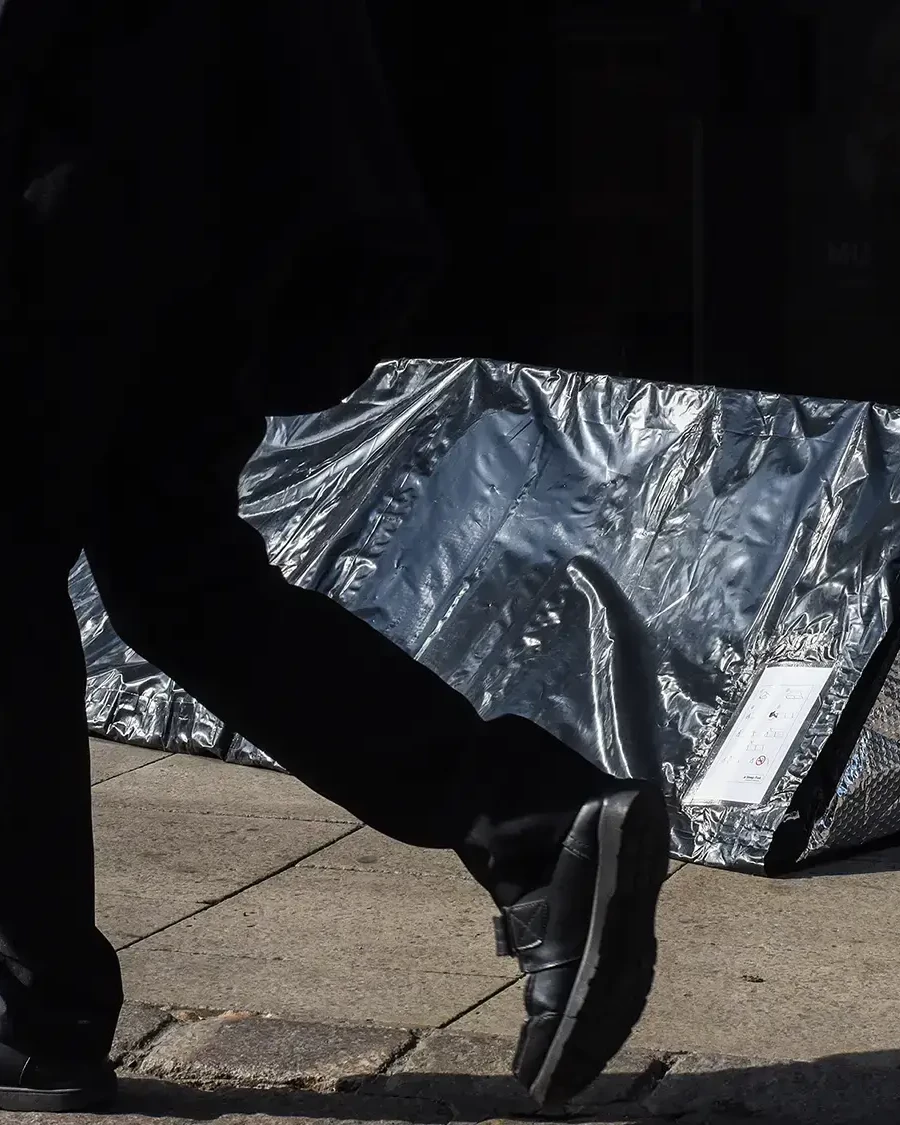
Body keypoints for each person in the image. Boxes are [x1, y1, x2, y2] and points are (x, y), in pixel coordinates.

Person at [0, 1, 668, 1113]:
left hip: (66, 173)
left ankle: (37, 1015)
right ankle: (533, 824)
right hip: (213, 176)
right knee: (175, 572)